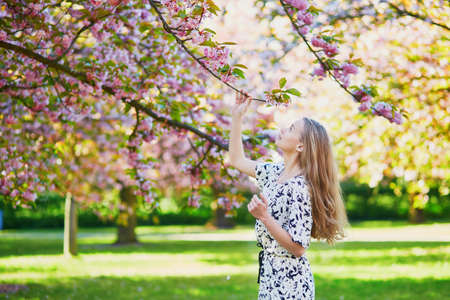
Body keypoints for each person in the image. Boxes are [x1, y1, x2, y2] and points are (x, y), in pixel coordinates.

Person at [228, 90, 349, 299]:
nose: (284, 130)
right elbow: (237, 160)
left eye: (292, 129)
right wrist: (237, 117)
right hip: (271, 277)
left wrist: (264, 216)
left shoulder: (300, 188)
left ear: (301, 145)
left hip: (290, 284)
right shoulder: (275, 173)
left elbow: (299, 247)